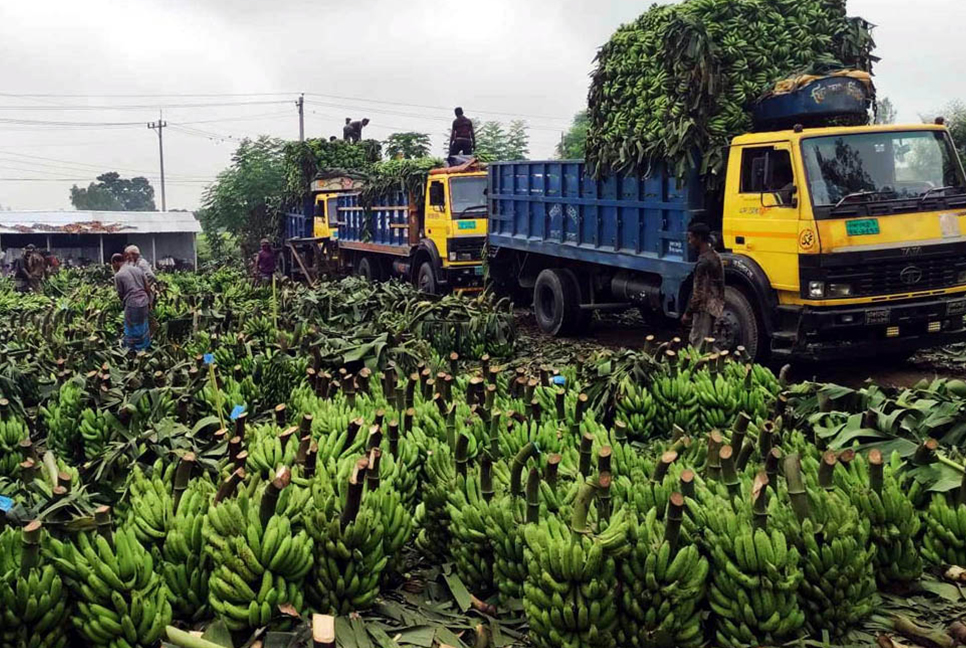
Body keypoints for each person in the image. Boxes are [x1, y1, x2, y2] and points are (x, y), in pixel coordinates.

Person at [682, 222, 725, 349]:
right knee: (709, 342)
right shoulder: (715, 256)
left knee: (698, 344)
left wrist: (688, 314)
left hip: (704, 309)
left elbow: (698, 294)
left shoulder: (703, 263)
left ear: (699, 238)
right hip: (715, 306)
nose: (689, 242)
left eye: (691, 238)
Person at [112, 252, 152, 351]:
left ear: (115, 262)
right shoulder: (138, 270)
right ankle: (145, 347)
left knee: (132, 326)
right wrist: (150, 302)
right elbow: (147, 287)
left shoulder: (118, 275)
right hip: (144, 301)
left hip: (132, 303)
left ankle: (133, 350)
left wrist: (124, 304)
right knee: (143, 324)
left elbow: (121, 293)